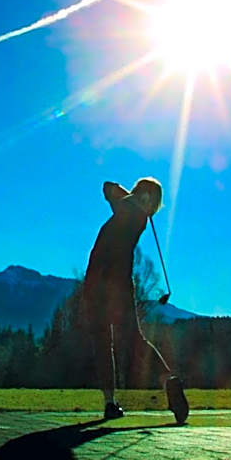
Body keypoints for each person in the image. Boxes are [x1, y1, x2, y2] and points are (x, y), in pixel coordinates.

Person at [81, 177, 163, 420]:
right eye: (143, 191)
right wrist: (133, 195)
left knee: (132, 340)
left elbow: (110, 192)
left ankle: (169, 380)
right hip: (95, 285)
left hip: (117, 288)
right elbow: (107, 186)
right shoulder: (128, 207)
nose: (144, 196)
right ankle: (109, 403)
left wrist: (135, 199)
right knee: (102, 342)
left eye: (150, 195)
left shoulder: (136, 216)